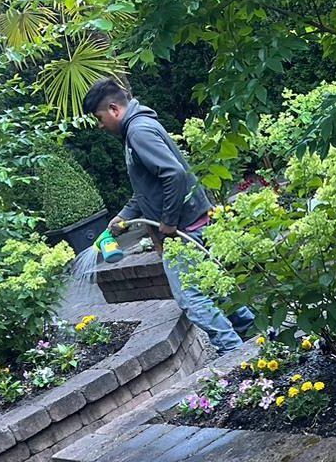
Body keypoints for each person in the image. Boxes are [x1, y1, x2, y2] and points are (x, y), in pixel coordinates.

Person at [82, 76, 255, 353]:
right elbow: (147, 187)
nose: (101, 125)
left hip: (183, 230)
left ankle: (234, 354)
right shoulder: (138, 130)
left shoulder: (138, 132)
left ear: (114, 109)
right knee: (215, 288)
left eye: (100, 117)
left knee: (191, 298)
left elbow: (173, 174)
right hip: (190, 225)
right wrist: (123, 216)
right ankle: (254, 336)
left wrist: (168, 222)